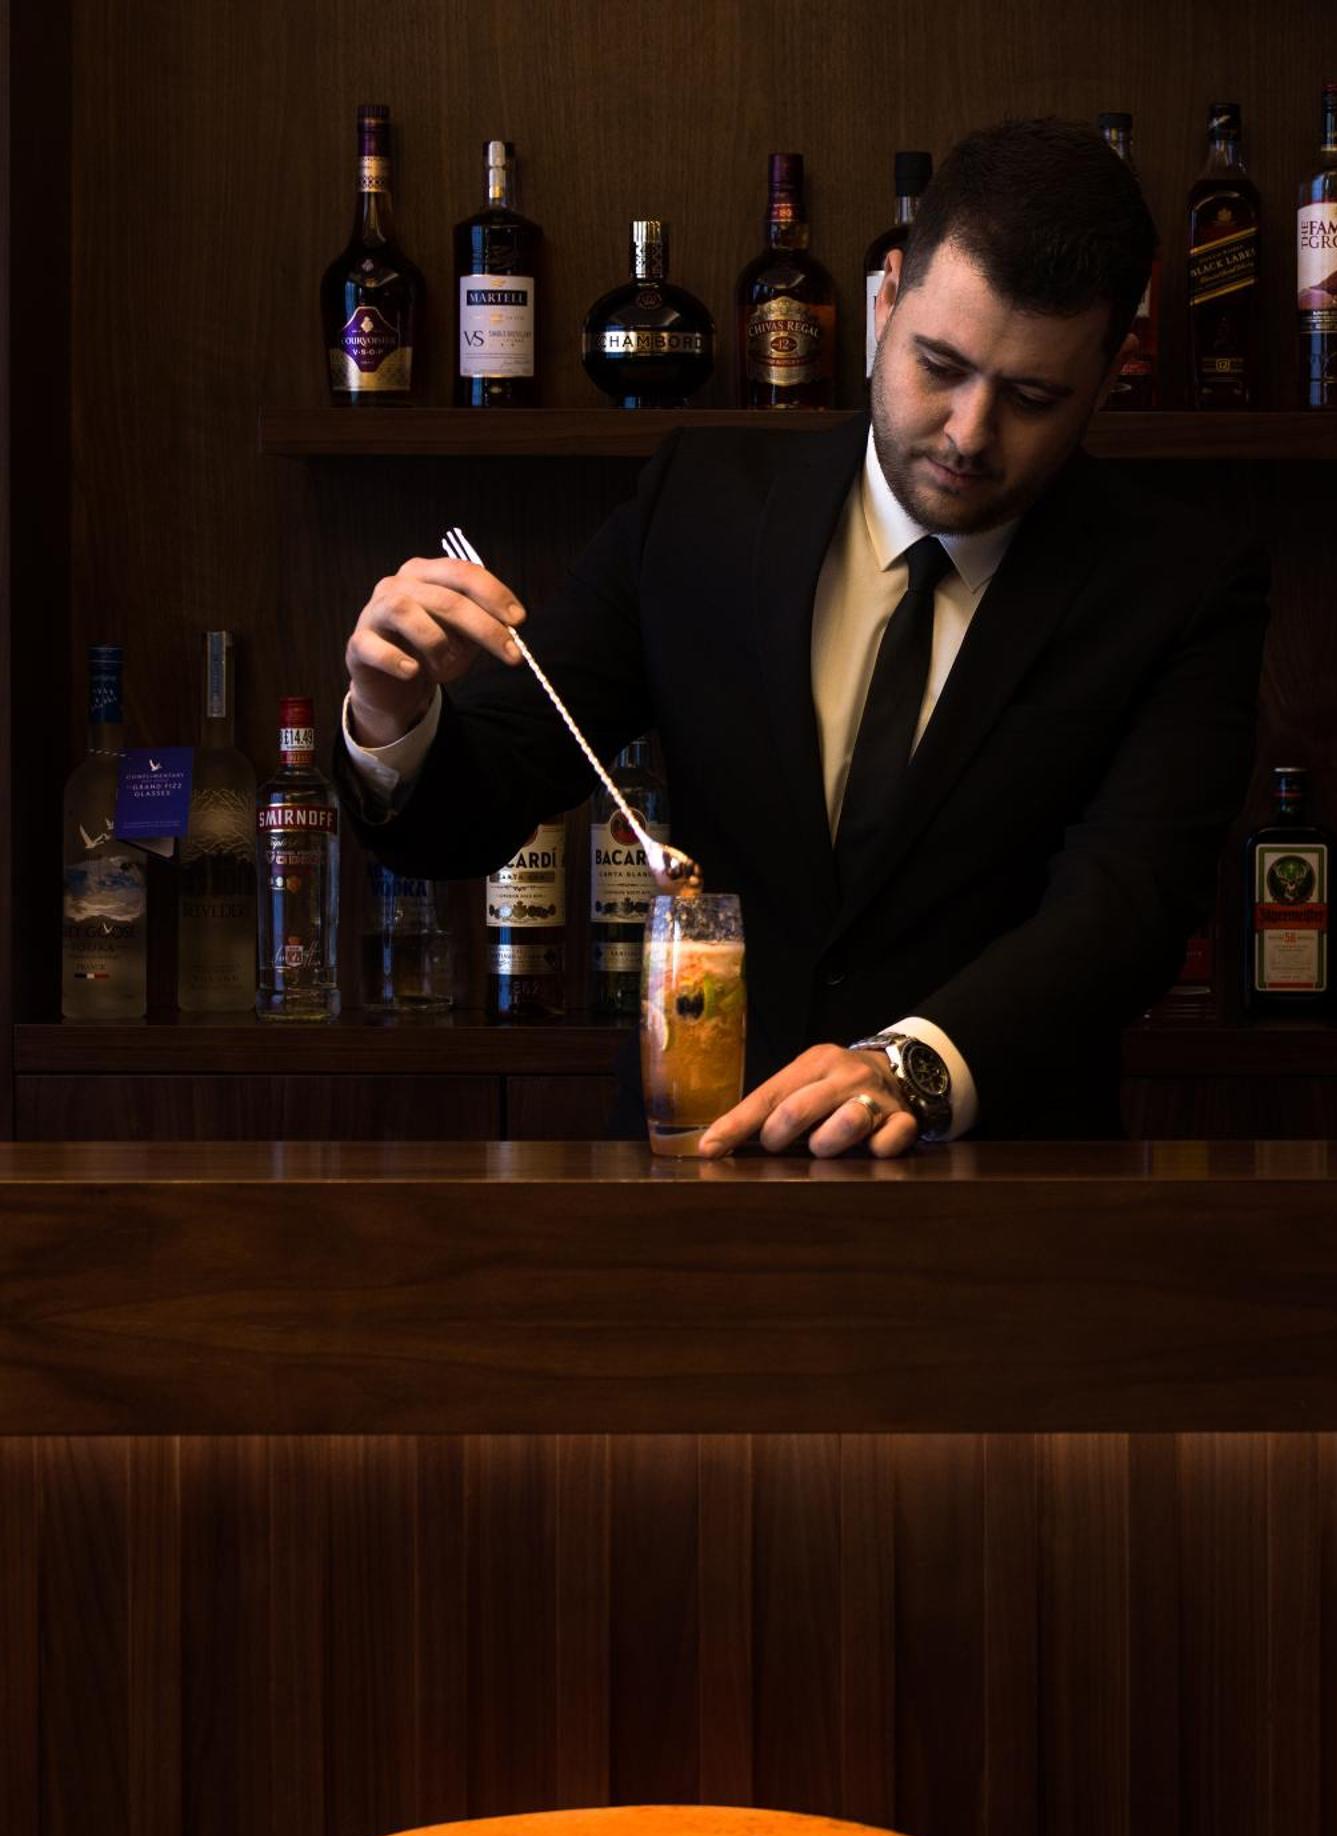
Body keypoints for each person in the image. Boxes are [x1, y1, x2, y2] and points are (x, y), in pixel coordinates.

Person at [337, 117, 1269, 1156]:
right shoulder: (696, 507)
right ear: (883, 304)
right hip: (699, 1176)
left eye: (1031, 396)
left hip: (1011, 1202)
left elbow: (1126, 905)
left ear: (1106, 373)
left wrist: (911, 1064)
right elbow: (472, 804)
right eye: (938, 364)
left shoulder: (1178, 585)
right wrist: (392, 711)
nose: (967, 431)